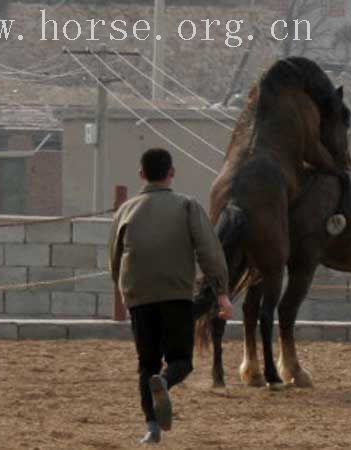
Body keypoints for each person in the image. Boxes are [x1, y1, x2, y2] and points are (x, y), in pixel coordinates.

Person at [108, 148, 233, 444]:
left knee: (146, 363)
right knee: (181, 360)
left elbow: (114, 257)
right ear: (172, 172)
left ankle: (151, 427)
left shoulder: (125, 210)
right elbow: (209, 252)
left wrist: (125, 290)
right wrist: (222, 292)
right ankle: (165, 381)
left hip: (139, 295)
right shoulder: (187, 206)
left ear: (141, 174)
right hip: (176, 293)